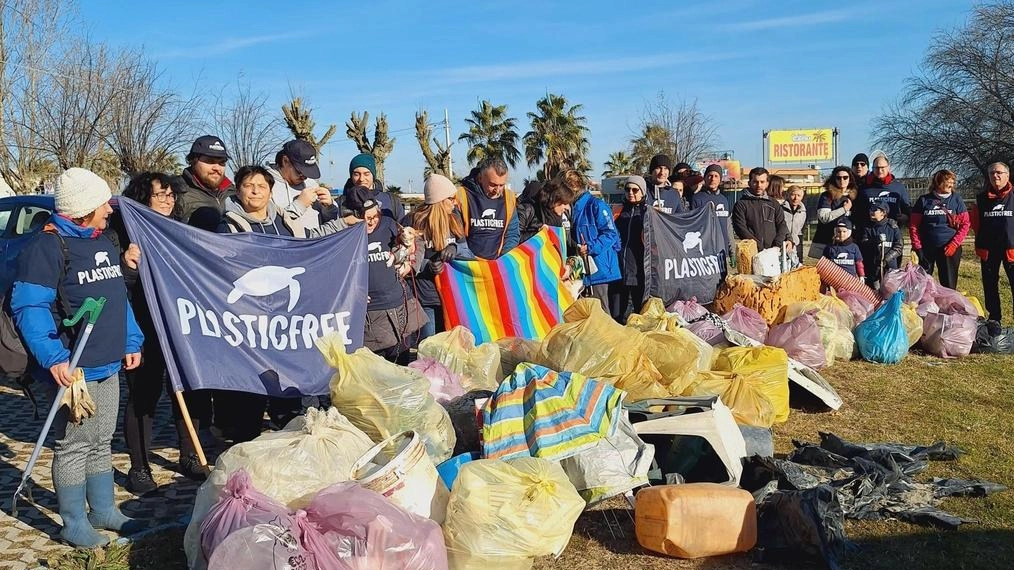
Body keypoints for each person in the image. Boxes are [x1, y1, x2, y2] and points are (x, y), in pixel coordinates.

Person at [11, 168, 144, 547]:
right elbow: (29, 306)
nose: (109, 209)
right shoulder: (47, 246)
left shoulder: (103, 241)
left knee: (102, 439)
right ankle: (73, 522)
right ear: (84, 207)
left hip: (109, 360)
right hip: (74, 367)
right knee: (73, 444)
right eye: (103, 203)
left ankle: (103, 510)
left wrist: (131, 341)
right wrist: (53, 357)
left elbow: (117, 296)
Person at [217, 166, 349, 440]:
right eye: (248, 185)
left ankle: (289, 455)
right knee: (249, 402)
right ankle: (244, 459)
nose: (255, 191)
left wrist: (344, 226)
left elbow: (310, 245)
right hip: (250, 326)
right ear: (238, 190)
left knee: (289, 400)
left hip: (285, 327)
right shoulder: (227, 226)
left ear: (270, 190)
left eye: (261, 186)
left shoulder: (285, 222)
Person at [108, 173, 195, 493]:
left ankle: (190, 455)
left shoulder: (180, 229)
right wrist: (127, 265)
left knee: (187, 391)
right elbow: (116, 284)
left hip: (178, 324)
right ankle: (139, 467)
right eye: (161, 195)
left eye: (171, 195)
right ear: (143, 199)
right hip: (142, 326)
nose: (168, 201)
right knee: (144, 395)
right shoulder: (123, 233)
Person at [362, 199, 427, 362]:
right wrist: (352, 291)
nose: (371, 221)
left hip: (399, 306)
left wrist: (410, 264)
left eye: (374, 216)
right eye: (365, 217)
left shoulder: (389, 224)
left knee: (404, 362)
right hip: (371, 316)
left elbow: (416, 240)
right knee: (378, 369)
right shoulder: (346, 233)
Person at [404, 174, 467, 340]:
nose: (455, 202)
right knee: (429, 348)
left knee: (451, 348)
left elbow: (468, 251)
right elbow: (403, 259)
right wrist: (427, 266)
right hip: (425, 298)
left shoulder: (454, 219)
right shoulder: (413, 221)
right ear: (439, 200)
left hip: (451, 296)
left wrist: (455, 248)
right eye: (451, 198)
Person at [910, 169, 970, 290]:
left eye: (952, 182)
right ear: (938, 182)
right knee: (922, 284)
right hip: (926, 248)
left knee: (948, 284)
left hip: (949, 248)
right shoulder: (924, 200)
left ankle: (948, 306)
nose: (951, 185)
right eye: (947, 181)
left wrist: (954, 244)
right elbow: (913, 225)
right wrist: (918, 247)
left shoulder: (956, 199)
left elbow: (965, 224)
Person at [569, 170, 621, 312]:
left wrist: (590, 247)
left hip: (600, 268)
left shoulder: (597, 205)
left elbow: (611, 233)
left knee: (601, 315)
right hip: (581, 269)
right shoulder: (570, 208)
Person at [971, 162, 1014, 322]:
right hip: (988, 250)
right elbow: (975, 223)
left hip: (1012, 250)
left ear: (1007, 175)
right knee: (990, 287)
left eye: (998, 172)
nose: (995, 176)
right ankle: (994, 319)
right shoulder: (981, 198)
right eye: (991, 173)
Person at [266, 139, 339, 230]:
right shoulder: (265, 185)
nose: (304, 177)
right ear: (285, 161)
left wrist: (329, 206)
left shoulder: (311, 183)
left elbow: (331, 220)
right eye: (300, 171)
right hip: (287, 243)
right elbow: (269, 228)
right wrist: (299, 205)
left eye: (308, 172)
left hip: (317, 242)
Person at [457, 157, 520, 259]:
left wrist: (503, 259)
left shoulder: (509, 198)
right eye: (493, 185)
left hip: (497, 263)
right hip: (467, 263)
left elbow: (512, 233)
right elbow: (457, 235)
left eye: (501, 185)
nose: (497, 190)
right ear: (480, 178)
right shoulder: (462, 195)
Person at [609, 175, 648, 323]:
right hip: (618, 270)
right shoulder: (617, 211)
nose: (631, 193)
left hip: (639, 271)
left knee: (640, 312)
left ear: (642, 192)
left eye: (635, 189)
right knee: (616, 314)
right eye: (627, 189)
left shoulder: (648, 213)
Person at [176, 135, 235, 231]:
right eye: (210, 161)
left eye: (221, 163)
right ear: (193, 161)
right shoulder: (176, 192)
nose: (216, 168)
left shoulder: (234, 192)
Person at [732, 167, 792, 250]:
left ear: (767, 183)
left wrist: (776, 245)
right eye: (755, 182)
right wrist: (757, 247)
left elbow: (782, 225)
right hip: (752, 251)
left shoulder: (774, 203)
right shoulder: (741, 204)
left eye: (762, 182)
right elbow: (741, 229)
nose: (759, 185)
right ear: (749, 183)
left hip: (774, 251)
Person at [810, 166, 857, 259]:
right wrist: (844, 209)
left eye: (845, 177)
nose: (842, 180)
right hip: (825, 244)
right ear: (834, 179)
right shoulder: (827, 196)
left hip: (846, 246)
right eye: (838, 178)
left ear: (850, 179)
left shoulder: (854, 196)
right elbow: (824, 218)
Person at [342, 153, 404, 221]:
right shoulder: (341, 203)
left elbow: (402, 227)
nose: (361, 179)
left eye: (366, 174)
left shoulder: (391, 200)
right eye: (356, 174)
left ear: (373, 175)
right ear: (351, 176)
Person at [859, 201, 904, 290]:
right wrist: (874, 241)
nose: (871, 211)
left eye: (874, 209)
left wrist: (886, 258)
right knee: (873, 291)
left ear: (883, 212)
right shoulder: (867, 227)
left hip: (889, 266)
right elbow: (863, 244)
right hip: (873, 267)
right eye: (870, 209)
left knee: (890, 291)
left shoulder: (892, 226)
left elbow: (899, 246)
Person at [859, 155, 911, 229]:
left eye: (882, 167)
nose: (880, 171)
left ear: (888, 168)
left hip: (893, 232)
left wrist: (906, 216)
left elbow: (906, 208)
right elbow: (859, 212)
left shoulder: (899, 187)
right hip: (871, 232)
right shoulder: (864, 188)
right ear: (872, 169)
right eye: (877, 168)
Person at [691, 164, 733, 252]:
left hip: (722, 249)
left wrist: (731, 249)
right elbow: (693, 225)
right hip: (705, 249)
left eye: (716, 176)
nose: (713, 179)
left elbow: (728, 226)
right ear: (705, 178)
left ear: (720, 179)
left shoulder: (724, 199)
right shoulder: (697, 198)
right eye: (710, 176)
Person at [782, 185, 807, 250]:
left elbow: (800, 228)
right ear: (787, 195)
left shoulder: (803, 212)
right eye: (793, 195)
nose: (796, 198)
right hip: (782, 243)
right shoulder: (780, 209)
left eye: (799, 195)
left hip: (796, 244)